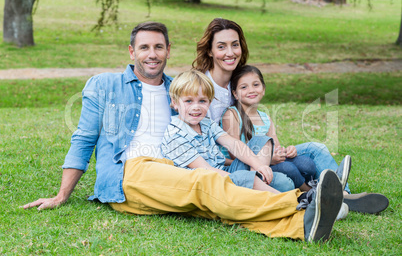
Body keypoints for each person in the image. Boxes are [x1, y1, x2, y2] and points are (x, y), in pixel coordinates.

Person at [23, 21, 346, 242]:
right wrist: (61, 195)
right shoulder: (104, 85)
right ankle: (300, 202)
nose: (152, 54)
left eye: (159, 47)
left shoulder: (177, 89)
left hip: (173, 172)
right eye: (145, 47)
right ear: (131, 52)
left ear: (167, 50)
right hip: (131, 172)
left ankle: (302, 227)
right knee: (205, 182)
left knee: (210, 203)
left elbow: (214, 108)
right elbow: (83, 140)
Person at [192, 17, 389, 214]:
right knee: (285, 180)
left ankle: (343, 195)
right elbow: (210, 149)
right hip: (236, 164)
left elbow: (259, 125)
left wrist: (280, 152)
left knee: (315, 149)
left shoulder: (240, 79)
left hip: (262, 154)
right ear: (210, 50)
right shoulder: (201, 90)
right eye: (221, 46)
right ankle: (315, 197)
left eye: (235, 45)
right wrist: (264, 159)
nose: (230, 52)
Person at [161, 69, 294, 193]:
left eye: (202, 101)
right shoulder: (175, 135)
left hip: (223, 171)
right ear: (175, 102)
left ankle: (259, 183)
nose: (196, 107)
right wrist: (244, 180)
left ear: (209, 102)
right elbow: (206, 170)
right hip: (205, 182)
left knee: (262, 141)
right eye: (188, 101)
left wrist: (259, 165)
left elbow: (233, 144)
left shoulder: (206, 123)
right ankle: (287, 201)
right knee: (275, 184)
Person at [221, 65, 316, 192]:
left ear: (263, 89)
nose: (251, 90)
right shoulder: (232, 115)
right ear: (235, 94)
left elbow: (276, 147)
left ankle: (313, 185)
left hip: (269, 161)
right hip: (245, 166)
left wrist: (287, 151)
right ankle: (309, 191)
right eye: (244, 87)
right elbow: (234, 154)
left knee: (307, 163)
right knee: (289, 169)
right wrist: (267, 159)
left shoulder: (265, 118)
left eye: (256, 85)